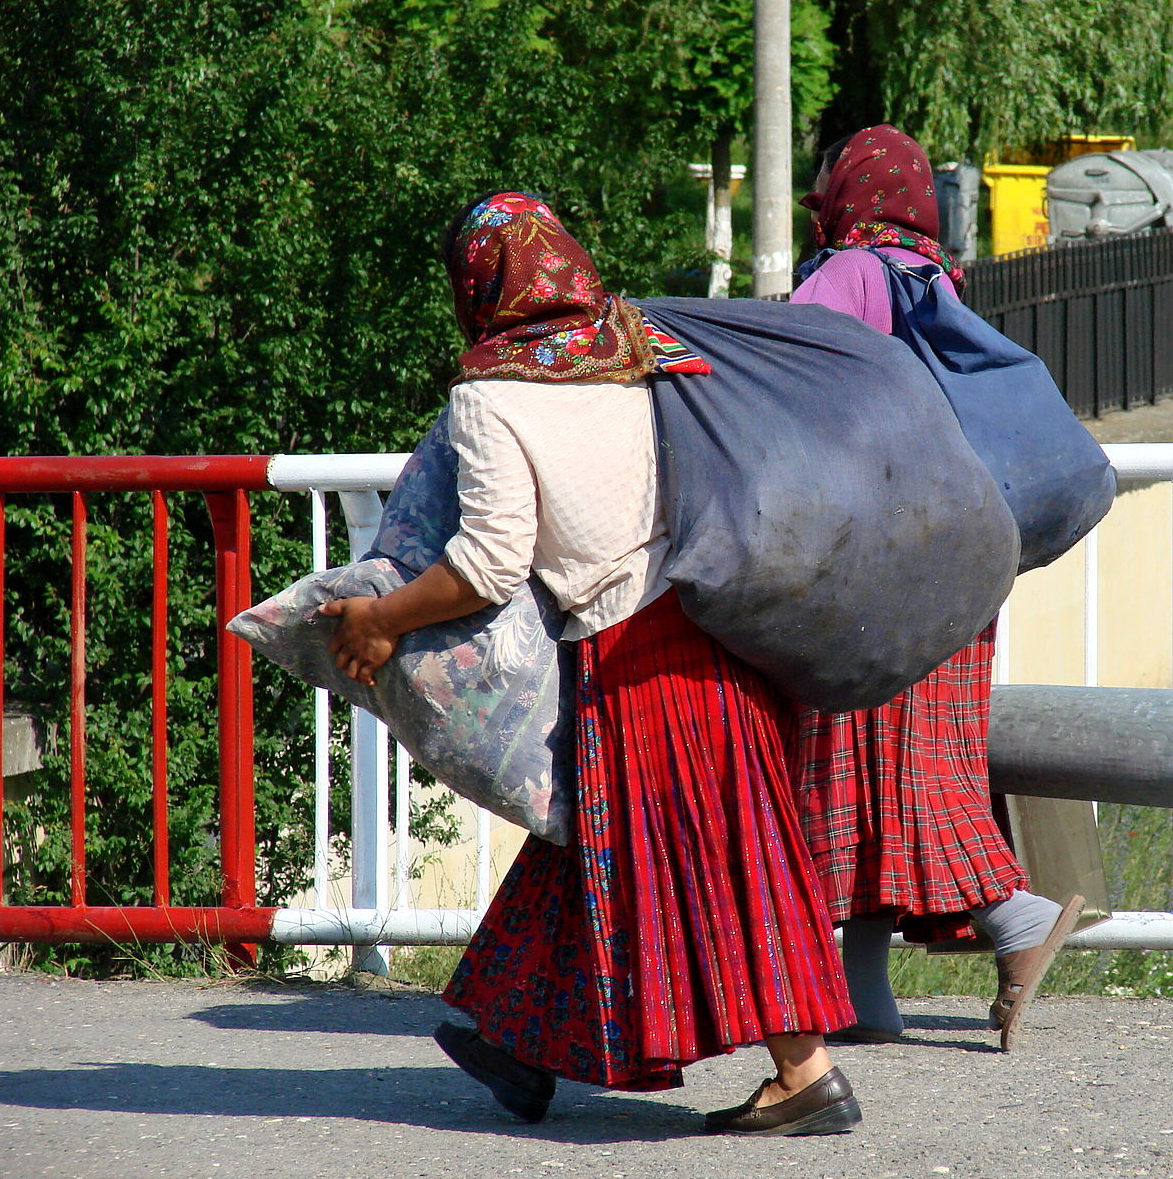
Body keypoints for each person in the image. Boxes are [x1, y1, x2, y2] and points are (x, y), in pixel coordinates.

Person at [323, 191, 860, 1136]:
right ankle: (514, 1043)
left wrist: (380, 619)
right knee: (615, 835)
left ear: (479, 285)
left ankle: (805, 1072)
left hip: (633, 654)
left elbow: (489, 561)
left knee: (703, 852)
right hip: (709, 626)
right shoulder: (640, 352)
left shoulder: (492, 398)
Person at [790, 126, 1085, 1052]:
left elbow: (790, 377)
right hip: (964, 568)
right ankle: (861, 995)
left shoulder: (851, 272)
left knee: (869, 761)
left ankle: (1016, 916)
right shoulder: (938, 284)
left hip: (881, 570)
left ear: (848, 195)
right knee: (899, 761)